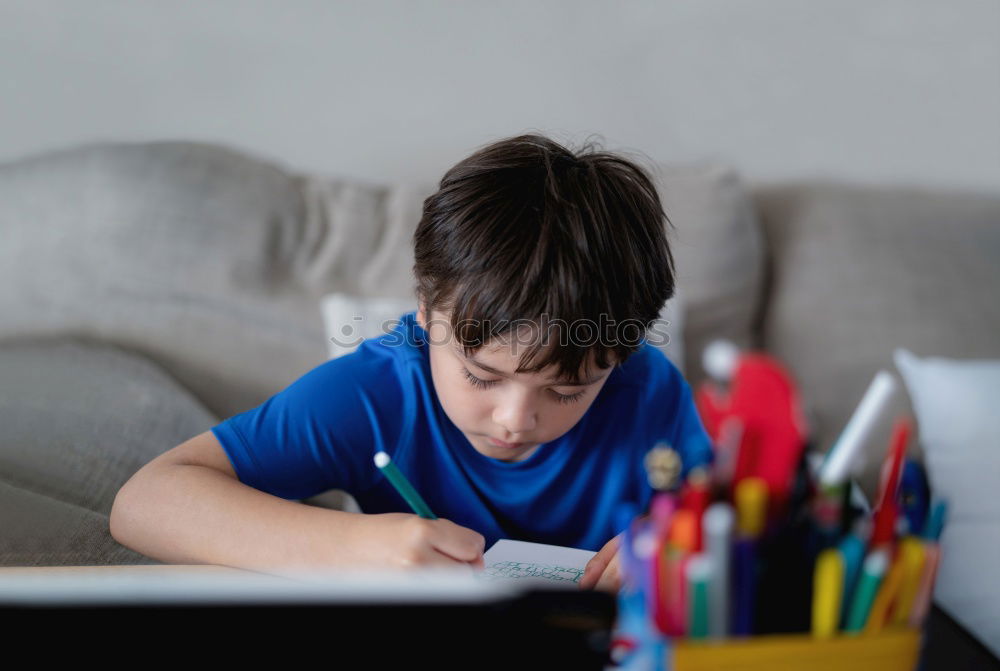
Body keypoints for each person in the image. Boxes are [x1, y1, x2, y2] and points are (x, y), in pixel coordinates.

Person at [109, 134, 713, 592]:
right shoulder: (377, 395)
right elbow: (146, 503)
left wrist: (672, 547)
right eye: (482, 375)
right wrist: (359, 546)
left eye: (568, 390)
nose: (515, 419)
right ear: (425, 311)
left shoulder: (647, 391)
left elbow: (736, 518)